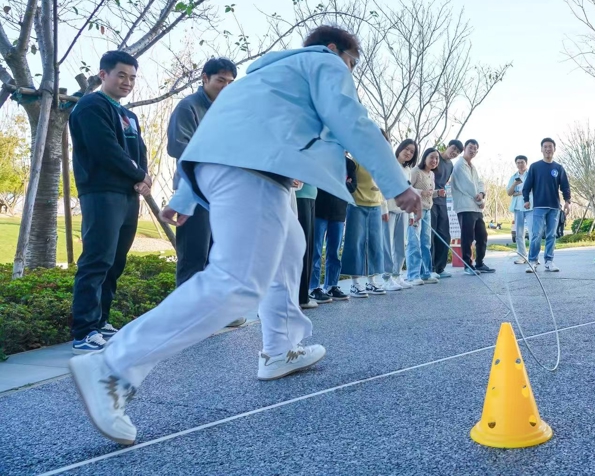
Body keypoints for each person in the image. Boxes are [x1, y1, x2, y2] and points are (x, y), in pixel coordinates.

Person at [69, 26, 422, 446]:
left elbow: (213, 132)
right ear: (333, 50)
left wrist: (186, 195)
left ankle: (279, 349)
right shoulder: (323, 62)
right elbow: (351, 119)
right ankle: (113, 367)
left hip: (237, 169)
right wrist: (396, 184)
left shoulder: (261, 77)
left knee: (290, 248)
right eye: (351, 63)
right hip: (253, 171)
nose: (349, 72)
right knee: (237, 281)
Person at [68, 51, 150, 355]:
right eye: (121, 75)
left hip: (128, 194)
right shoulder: (91, 106)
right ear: (104, 75)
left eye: (132, 77)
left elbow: (139, 151)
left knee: (115, 260)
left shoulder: (129, 115)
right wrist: (138, 173)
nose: (127, 82)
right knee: (97, 259)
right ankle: (84, 331)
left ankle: (100, 321)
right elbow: (105, 149)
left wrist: (144, 178)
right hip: (102, 192)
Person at [166, 57, 245, 327]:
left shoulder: (229, 111)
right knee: (194, 255)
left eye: (230, 82)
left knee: (219, 255)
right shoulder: (188, 106)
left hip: (224, 194)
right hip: (194, 192)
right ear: (204, 78)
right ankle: (188, 316)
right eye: (220, 80)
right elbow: (178, 146)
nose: (225, 87)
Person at [309, 155, 357, 303]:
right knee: (316, 250)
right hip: (319, 210)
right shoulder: (322, 156)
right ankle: (313, 287)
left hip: (339, 212)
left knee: (334, 252)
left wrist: (335, 182)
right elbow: (319, 180)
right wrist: (342, 182)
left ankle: (331, 285)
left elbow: (353, 187)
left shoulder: (349, 164)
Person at [342, 156, 390, 298]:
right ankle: (355, 284)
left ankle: (372, 281)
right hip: (357, 205)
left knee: (375, 244)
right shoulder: (355, 160)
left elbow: (382, 188)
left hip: (375, 206)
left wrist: (384, 208)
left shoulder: (379, 162)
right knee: (355, 243)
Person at [522, 138, 571, 273]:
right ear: (541, 149)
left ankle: (549, 261)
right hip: (539, 206)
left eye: (550, 147)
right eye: (545, 147)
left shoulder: (558, 168)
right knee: (536, 234)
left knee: (551, 235)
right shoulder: (535, 167)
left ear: (554, 149)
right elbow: (527, 186)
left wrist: (567, 201)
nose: (548, 149)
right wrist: (526, 200)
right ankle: (532, 261)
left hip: (554, 207)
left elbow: (565, 186)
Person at [452, 139, 495, 274]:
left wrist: (482, 194)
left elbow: (479, 182)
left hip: (475, 208)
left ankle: (480, 263)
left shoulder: (473, 167)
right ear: (464, 148)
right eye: (470, 147)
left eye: (475, 149)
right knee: (467, 237)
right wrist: (480, 202)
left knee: (482, 236)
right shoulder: (460, 165)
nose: (473, 150)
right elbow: (468, 186)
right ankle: (467, 265)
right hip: (465, 207)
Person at [383, 139, 417, 291]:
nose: (408, 153)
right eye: (407, 149)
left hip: (403, 211)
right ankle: (386, 277)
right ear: (400, 148)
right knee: (387, 245)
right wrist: (384, 208)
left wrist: (411, 214)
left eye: (412, 152)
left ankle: (397, 275)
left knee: (400, 245)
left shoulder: (407, 169)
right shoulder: (389, 164)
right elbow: (383, 187)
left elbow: (409, 191)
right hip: (389, 210)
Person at [407, 148, 440, 284]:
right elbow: (407, 188)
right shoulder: (415, 171)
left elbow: (429, 193)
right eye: (432, 157)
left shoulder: (431, 174)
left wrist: (437, 193)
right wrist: (422, 192)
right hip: (415, 211)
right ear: (425, 157)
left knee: (426, 243)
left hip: (427, 211)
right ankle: (413, 275)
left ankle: (425, 273)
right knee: (414, 243)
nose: (434, 160)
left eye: (437, 158)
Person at [431, 140, 463, 275]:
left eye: (457, 152)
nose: (454, 152)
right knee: (431, 234)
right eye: (453, 148)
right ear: (448, 146)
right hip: (430, 200)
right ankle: (430, 268)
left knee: (444, 234)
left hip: (442, 201)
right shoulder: (435, 157)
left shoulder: (450, 165)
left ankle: (440, 268)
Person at [294, 180, 319, 308]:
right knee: (302, 248)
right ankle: (300, 297)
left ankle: (303, 296)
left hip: (310, 196)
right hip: (300, 197)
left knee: (308, 248)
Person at [507, 155, 531, 263]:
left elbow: (533, 190)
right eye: (518, 163)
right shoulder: (514, 177)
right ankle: (522, 256)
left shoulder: (531, 174)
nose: (520, 164)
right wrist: (515, 184)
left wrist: (518, 193)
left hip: (530, 206)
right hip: (518, 207)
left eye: (522, 162)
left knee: (533, 232)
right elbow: (509, 192)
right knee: (519, 233)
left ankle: (533, 257)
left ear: (526, 163)